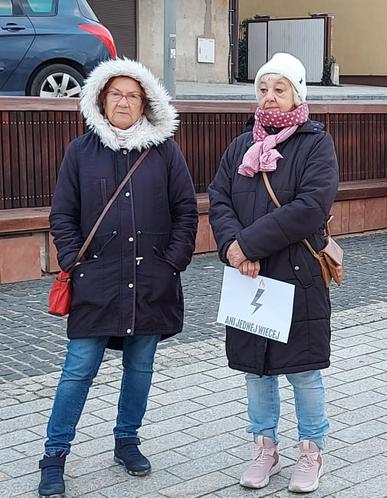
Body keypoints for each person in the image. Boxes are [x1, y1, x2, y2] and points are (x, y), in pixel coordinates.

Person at [38, 59, 198, 498]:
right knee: (77, 370)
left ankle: (127, 440)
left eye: (132, 95)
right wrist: (74, 261)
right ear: (101, 99)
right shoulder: (80, 152)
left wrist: (173, 261)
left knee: (140, 367)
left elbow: (186, 210)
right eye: (116, 94)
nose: (123, 102)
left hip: (151, 282)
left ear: (145, 102)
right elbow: (63, 215)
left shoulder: (164, 151)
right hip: (96, 283)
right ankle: (54, 455)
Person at [208, 52, 338, 493]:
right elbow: (219, 197)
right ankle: (265, 446)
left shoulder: (315, 143)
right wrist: (231, 247)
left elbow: (310, 208)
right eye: (263, 89)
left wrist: (248, 243)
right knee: (257, 370)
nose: (269, 98)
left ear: (297, 93)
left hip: (298, 276)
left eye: (279, 89)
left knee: (304, 371)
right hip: (249, 276)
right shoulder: (240, 145)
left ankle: (311, 450)